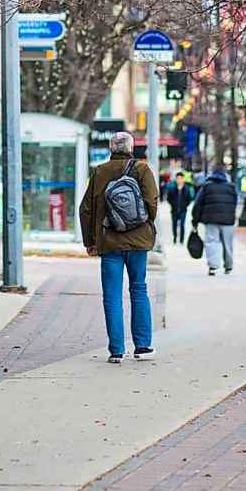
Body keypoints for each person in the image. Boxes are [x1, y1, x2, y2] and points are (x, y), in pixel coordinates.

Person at [79, 130, 159, 362]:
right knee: (138, 288)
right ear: (131, 148)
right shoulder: (142, 169)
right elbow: (152, 202)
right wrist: (145, 222)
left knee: (112, 295)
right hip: (138, 240)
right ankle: (143, 346)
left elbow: (86, 209)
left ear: (111, 149)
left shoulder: (100, 172)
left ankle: (116, 350)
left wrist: (90, 241)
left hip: (109, 241)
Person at [190, 165, 238, 274]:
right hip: (227, 220)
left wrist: (195, 220)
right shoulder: (231, 187)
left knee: (212, 242)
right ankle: (228, 266)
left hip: (211, 220)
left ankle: (213, 266)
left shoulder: (206, 187)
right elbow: (234, 203)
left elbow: (198, 204)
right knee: (228, 243)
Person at [167, 172, 193, 244]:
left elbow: (189, 199)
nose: (179, 180)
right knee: (174, 224)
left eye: (181, 178)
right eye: (178, 178)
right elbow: (169, 198)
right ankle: (175, 237)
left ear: (183, 179)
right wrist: (172, 204)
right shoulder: (172, 188)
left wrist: (185, 205)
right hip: (174, 210)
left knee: (182, 224)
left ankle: (181, 239)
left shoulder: (186, 189)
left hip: (183, 210)